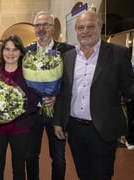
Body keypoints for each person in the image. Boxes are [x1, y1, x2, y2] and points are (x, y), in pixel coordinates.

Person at [53, 11, 134, 180]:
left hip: (103, 130)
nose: (85, 31)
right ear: (76, 31)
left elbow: (129, 91)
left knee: (102, 175)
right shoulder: (68, 57)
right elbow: (63, 93)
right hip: (75, 129)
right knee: (83, 173)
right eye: (81, 27)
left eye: (90, 26)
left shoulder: (119, 54)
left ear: (100, 27)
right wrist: (58, 122)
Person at [24, 11, 74, 180]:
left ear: (53, 28)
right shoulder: (27, 52)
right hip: (33, 113)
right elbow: (24, 83)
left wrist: (56, 97)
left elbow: (69, 83)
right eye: (38, 25)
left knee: (58, 157)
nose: (41, 28)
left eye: (46, 24)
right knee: (30, 155)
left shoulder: (67, 51)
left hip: (57, 114)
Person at [0, 35, 39, 180]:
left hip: (21, 127)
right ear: (2, 52)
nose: (10, 53)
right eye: (7, 49)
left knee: (19, 168)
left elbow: (33, 101)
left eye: (15, 49)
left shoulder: (28, 74)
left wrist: (12, 113)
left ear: (21, 52)